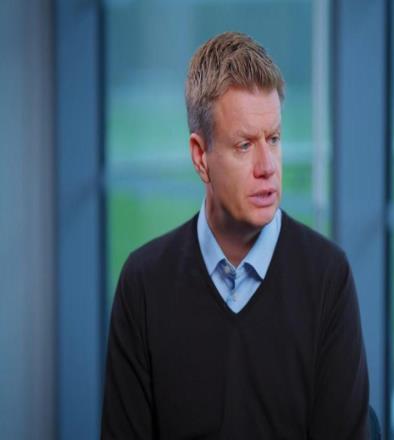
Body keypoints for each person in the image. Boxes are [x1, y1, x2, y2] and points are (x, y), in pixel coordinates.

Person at [101, 32, 369, 439]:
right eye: (244, 145)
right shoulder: (143, 283)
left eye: (273, 139)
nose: (267, 166)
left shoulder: (328, 276)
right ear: (200, 156)